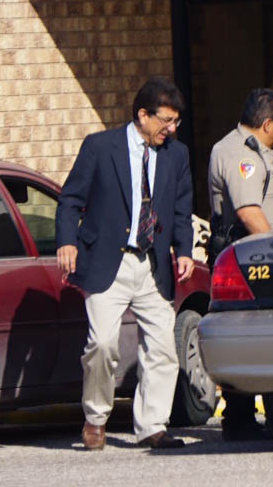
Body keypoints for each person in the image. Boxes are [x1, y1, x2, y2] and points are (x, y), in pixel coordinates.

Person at [56, 76, 195, 449]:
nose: (171, 129)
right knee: (102, 345)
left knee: (162, 348)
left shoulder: (176, 155)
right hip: (107, 261)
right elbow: (71, 199)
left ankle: (152, 426)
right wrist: (67, 242)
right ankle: (95, 418)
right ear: (143, 115)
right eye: (166, 120)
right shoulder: (101, 147)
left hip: (152, 264)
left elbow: (181, 208)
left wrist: (184, 250)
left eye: (176, 121)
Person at [206, 87, 273, 439]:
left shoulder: (257, 150)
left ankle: (271, 414)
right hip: (253, 257)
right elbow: (248, 211)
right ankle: (240, 419)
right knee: (252, 336)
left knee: (270, 336)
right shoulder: (237, 153)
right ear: (268, 124)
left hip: (262, 255)